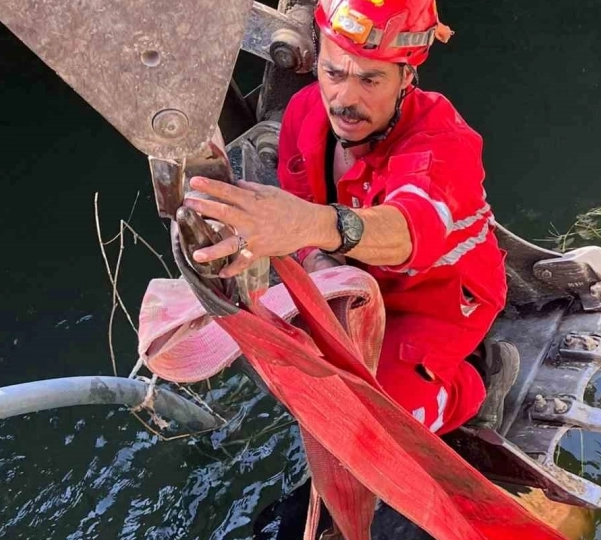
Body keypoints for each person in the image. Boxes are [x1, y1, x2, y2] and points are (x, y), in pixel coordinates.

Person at [183, 0, 519, 434]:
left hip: (437, 299)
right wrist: (318, 262)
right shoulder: (305, 113)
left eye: (370, 79)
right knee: (308, 373)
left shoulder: (443, 142)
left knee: (389, 422)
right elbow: (301, 197)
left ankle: (477, 382)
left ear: (406, 78)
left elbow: (409, 228)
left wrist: (310, 226)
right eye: (334, 73)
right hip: (359, 278)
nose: (345, 99)